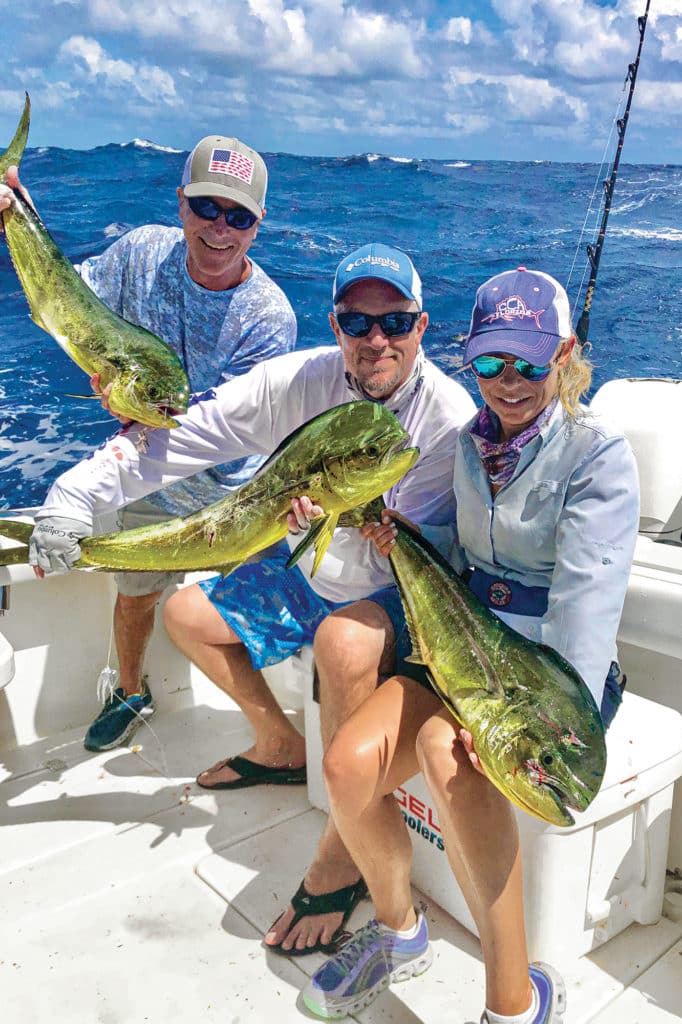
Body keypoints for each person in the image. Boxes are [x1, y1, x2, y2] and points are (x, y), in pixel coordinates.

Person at [25, 243, 477, 935]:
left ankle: (342, 852)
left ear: (422, 327)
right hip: (308, 568)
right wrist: (73, 495)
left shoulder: (448, 415)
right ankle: (280, 746)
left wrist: (355, 520)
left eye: (396, 322)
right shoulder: (296, 382)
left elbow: (441, 552)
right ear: (335, 326)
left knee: (344, 644)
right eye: (358, 323)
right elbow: (182, 436)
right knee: (185, 613)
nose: (376, 340)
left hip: (390, 594)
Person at [300, 267, 640, 1022]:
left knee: (449, 757)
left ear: (565, 354)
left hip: (543, 677)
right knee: (348, 767)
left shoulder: (596, 455)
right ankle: (399, 931)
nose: (509, 382)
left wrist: (542, 725)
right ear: (471, 359)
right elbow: (452, 559)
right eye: (491, 362)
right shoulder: (466, 442)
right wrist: (401, 539)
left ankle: (514, 1001)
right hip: (458, 644)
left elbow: (586, 610)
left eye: (529, 361)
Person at [0, 135, 297, 753]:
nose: (220, 228)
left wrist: (96, 463)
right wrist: (14, 217)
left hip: (230, 493)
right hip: (141, 472)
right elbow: (64, 297)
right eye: (207, 209)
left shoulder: (269, 315)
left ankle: (271, 727)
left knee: (233, 619)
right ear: (181, 205)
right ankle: (132, 690)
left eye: (238, 216)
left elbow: (216, 430)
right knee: (134, 597)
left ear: (258, 225)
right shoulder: (140, 253)